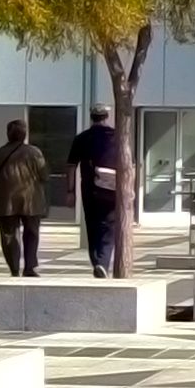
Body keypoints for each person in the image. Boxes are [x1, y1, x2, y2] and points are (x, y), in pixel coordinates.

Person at [0, 120, 48, 278]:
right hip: (31, 200)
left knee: (9, 235)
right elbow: (44, 175)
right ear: (24, 135)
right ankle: (29, 267)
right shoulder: (34, 152)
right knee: (32, 233)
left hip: (6, 200)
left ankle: (14, 268)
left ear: (8, 134)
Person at [66, 105, 120, 278]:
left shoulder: (82, 138)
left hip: (89, 189)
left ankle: (97, 261)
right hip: (112, 190)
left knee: (92, 226)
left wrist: (70, 191)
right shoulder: (117, 138)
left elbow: (71, 167)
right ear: (107, 116)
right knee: (109, 226)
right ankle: (102, 262)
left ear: (91, 117)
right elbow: (130, 166)